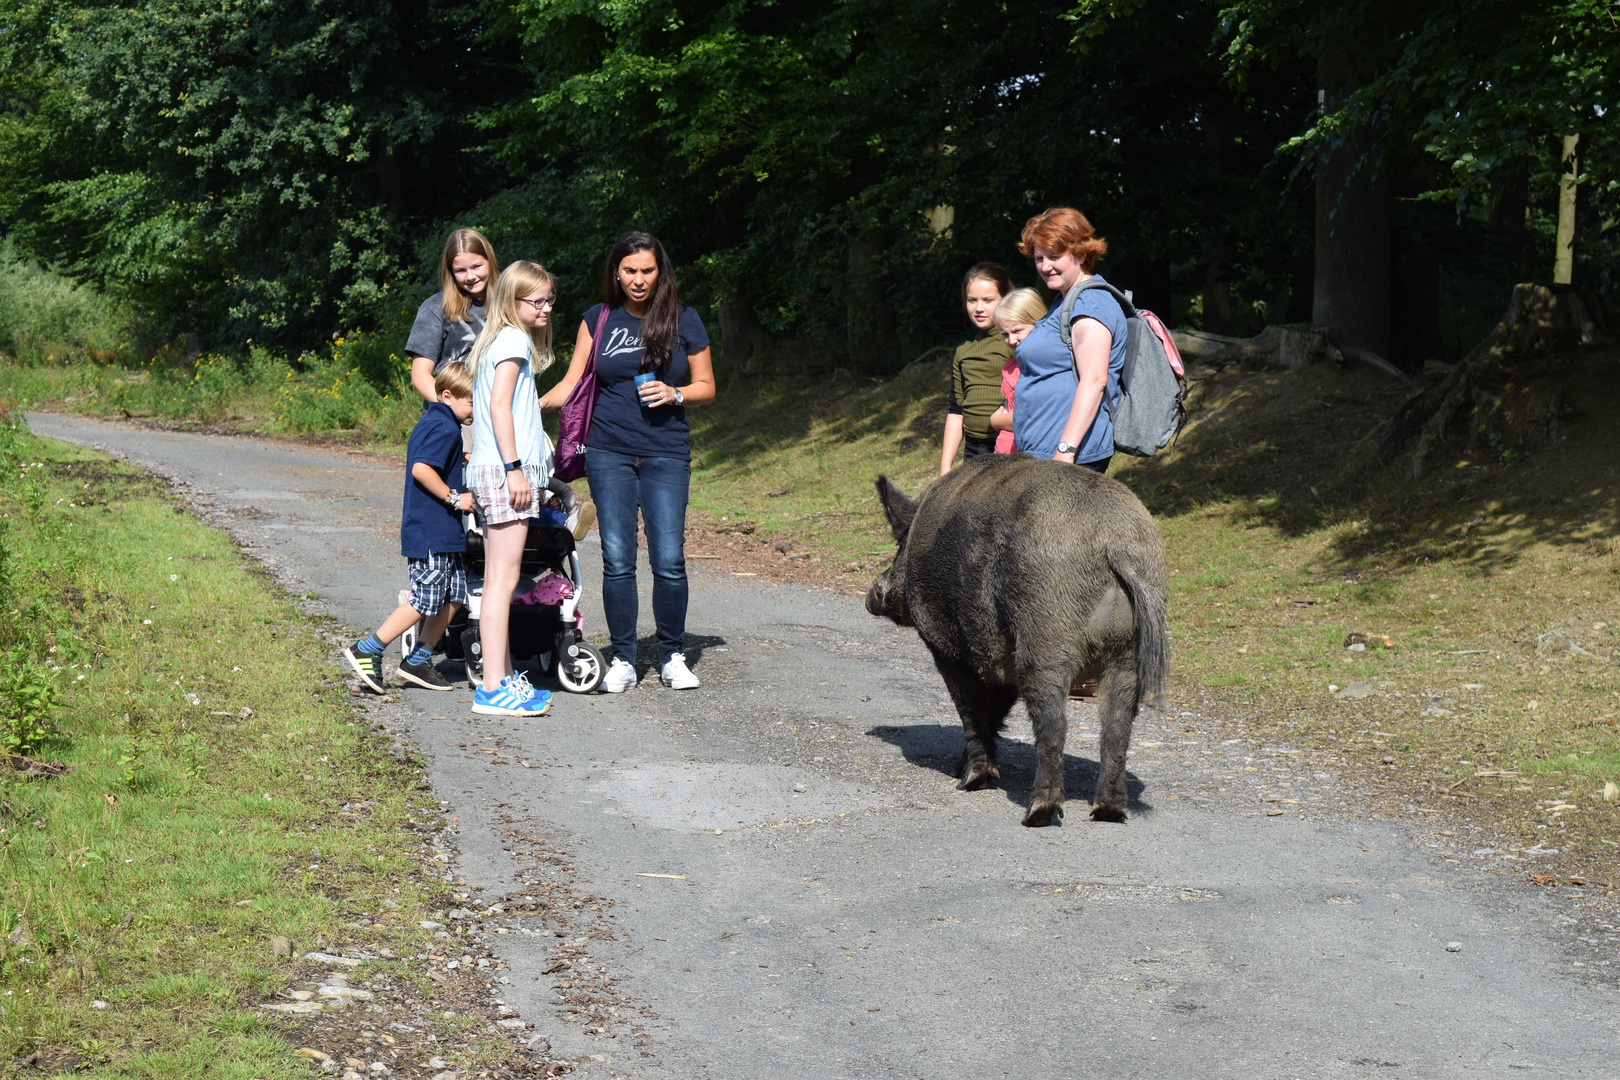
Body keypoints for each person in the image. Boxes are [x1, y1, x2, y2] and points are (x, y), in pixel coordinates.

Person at [540, 231, 716, 694]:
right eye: (630, 271)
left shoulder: (685, 320)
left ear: (661, 273)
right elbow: (572, 383)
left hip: (666, 453)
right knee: (618, 559)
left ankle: (673, 654)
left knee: (669, 558)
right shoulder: (598, 320)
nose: (639, 280)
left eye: (648, 271)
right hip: (607, 452)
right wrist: (522, 404)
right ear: (616, 273)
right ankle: (623, 658)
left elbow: (706, 386)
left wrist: (675, 392)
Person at [344, 362, 476, 694]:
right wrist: (455, 498)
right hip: (430, 530)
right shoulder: (444, 428)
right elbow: (421, 469)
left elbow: (432, 461)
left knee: (456, 596)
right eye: (473, 401)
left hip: (445, 533)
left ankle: (418, 659)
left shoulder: (438, 423)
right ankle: (367, 649)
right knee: (424, 600)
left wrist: (456, 463)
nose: (478, 408)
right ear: (448, 395)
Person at [463, 260, 560, 718]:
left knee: (501, 579)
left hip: (496, 469)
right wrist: (515, 469)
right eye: (536, 300)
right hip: (504, 472)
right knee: (502, 582)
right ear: (512, 301)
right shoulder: (513, 339)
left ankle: (503, 680)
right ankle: (492, 688)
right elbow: (500, 406)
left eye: (549, 299)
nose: (545, 308)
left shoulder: (500, 340)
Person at [1010, 207, 1127, 472]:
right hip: (1045, 454)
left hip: (1069, 459)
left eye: (1054, 256)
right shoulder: (1066, 298)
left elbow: (1094, 380)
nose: (1045, 266)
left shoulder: (1090, 302)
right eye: (1039, 258)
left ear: (1082, 254)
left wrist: (1066, 449)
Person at [406, 229, 499, 458]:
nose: (470, 276)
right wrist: (455, 413)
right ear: (450, 272)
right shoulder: (435, 308)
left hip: (502, 418)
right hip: (455, 424)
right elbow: (420, 375)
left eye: (477, 266)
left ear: (490, 261)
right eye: (460, 270)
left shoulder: (510, 304)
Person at [939, 263, 1013, 475]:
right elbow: (956, 411)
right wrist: (946, 468)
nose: (979, 308)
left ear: (1005, 299)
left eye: (988, 300)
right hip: (972, 451)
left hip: (1007, 447)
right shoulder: (963, 351)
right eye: (972, 300)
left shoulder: (1014, 343)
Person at [986, 287, 1047, 452]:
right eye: (1004, 334)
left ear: (1038, 322)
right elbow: (1009, 407)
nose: (1011, 340)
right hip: (1004, 452)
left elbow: (1030, 417)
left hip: (1030, 453)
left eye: (1017, 331)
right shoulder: (1010, 367)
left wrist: (995, 421)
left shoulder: (1046, 365)